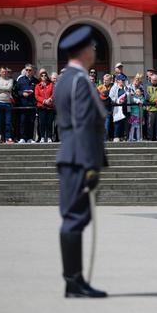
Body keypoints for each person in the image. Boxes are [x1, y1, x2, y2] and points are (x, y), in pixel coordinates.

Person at [54, 25, 108, 298]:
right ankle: (73, 281)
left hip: (71, 155)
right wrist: (90, 164)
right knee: (75, 218)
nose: (94, 52)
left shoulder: (65, 79)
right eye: (93, 48)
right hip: (78, 157)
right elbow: (83, 124)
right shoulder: (78, 80)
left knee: (74, 217)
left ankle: (73, 280)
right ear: (85, 50)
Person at [16, 64, 38, 143]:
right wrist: (22, 94)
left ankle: (30, 138)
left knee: (31, 122)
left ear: (33, 71)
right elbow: (16, 91)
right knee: (22, 121)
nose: (28, 71)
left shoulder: (36, 81)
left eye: (30, 70)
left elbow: (37, 92)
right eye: (27, 70)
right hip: (23, 104)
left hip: (32, 104)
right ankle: (22, 138)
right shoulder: (20, 79)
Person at [0, 67, 14, 143]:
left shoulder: (10, 80)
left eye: (5, 72)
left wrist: (0, 88)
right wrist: (5, 89)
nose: (4, 73)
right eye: (3, 72)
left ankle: (8, 138)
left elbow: (9, 88)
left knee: (8, 122)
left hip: (8, 103)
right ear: (0, 72)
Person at [35, 70, 55, 143]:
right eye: (42, 75)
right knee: (42, 123)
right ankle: (42, 137)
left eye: (45, 75)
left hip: (50, 107)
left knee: (49, 123)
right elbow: (37, 96)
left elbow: (54, 93)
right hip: (41, 107)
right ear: (40, 77)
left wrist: (50, 99)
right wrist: (44, 101)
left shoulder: (51, 85)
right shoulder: (38, 86)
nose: (43, 77)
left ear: (47, 76)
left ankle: (49, 137)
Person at [109, 74, 128, 142]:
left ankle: (122, 136)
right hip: (117, 108)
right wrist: (118, 100)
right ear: (118, 81)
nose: (123, 81)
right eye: (122, 80)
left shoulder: (126, 87)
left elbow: (129, 96)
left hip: (125, 107)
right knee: (117, 122)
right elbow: (111, 97)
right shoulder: (114, 87)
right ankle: (116, 136)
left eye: (124, 80)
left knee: (123, 122)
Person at [97, 74, 114, 141]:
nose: (104, 81)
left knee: (107, 124)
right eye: (104, 80)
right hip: (101, 108)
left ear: (110, 81)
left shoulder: (112, 87)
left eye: (106, 80)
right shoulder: (99, 87)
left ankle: (105, 138)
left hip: (109, 108)